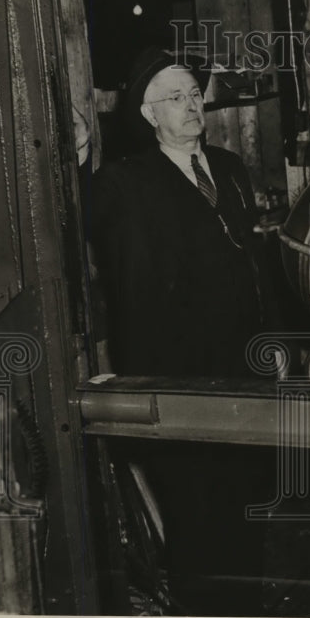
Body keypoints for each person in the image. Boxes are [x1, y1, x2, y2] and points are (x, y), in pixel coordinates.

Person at [89, 47, 270, 378]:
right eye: (176, 98)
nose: (191, 105)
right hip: (180, 364)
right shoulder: (126, 182)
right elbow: (130, 289)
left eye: (195, 94)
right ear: (150, 114)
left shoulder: (230, 166)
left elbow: (256, 259)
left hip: (248, 355)